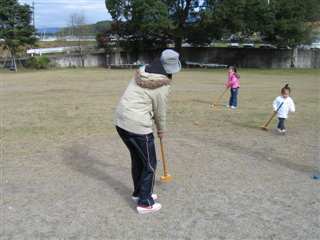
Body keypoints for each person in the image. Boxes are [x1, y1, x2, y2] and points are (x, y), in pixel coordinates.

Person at [115, 49, 181, 214]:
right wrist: (161, 130)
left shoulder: (142, 70)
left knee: (138, 160)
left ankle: (139, 193)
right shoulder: (163, 85)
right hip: (137, 126)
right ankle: (145, 203)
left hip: (121, 122)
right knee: (150, 164)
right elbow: (160, 111)